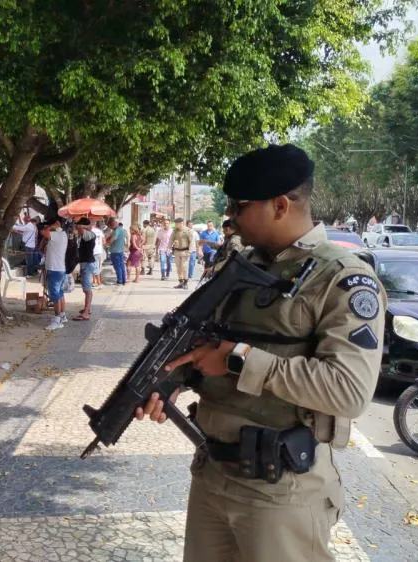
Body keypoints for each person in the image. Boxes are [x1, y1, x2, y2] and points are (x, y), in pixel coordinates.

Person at [136, 143, 386, 562]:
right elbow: (204, 342)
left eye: (240, 205)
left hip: (282, 488)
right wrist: (172, 382)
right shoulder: (241, 268)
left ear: (281, 205)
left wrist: (238, 359)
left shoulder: (341, 280)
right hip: (213, 471)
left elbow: (348, 391)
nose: (230, 216)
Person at [41, 218, 68, 331]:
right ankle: (62, 315)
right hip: (58, 268)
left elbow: (44, 232)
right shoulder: (62, 235)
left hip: (55, 269)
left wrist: (52, 226)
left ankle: (57, 319)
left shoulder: (58, 234)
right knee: (60, 293)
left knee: (55, 294)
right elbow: (43, 246)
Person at [73, 218, 98, 321]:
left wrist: (85, 226)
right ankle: (87, 308)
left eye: (78, 225)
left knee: (87, 289)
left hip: (87, 263)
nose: (76, 227)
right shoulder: (85, 235)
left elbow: (81, 228)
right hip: (85, 263)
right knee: (86, 288)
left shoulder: (88, 234)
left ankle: (86, 312)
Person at [169, 218, 191, 289]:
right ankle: (180, 282)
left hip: (185, 251)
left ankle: (185, 282)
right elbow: (171, 239)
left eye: (177, 223)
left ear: (181, 223)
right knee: (178, 268)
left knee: (184, 267)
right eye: (175, 223)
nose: (176, 225)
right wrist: (168, 248)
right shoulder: (175, 231)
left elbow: (191, 241)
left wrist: (190, 251)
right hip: (177, 251)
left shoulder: (187, 231)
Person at [106, 219, 127, 286]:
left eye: (110, 226)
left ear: (113, 224)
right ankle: (123, 280)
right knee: (122, 266)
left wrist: (107, 244)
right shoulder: (122, 230)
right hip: (120, 250)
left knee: (117, 266)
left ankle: (119, 281)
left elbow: (113, 239)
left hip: (115, 251)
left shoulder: (117, 230)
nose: (110, 228)